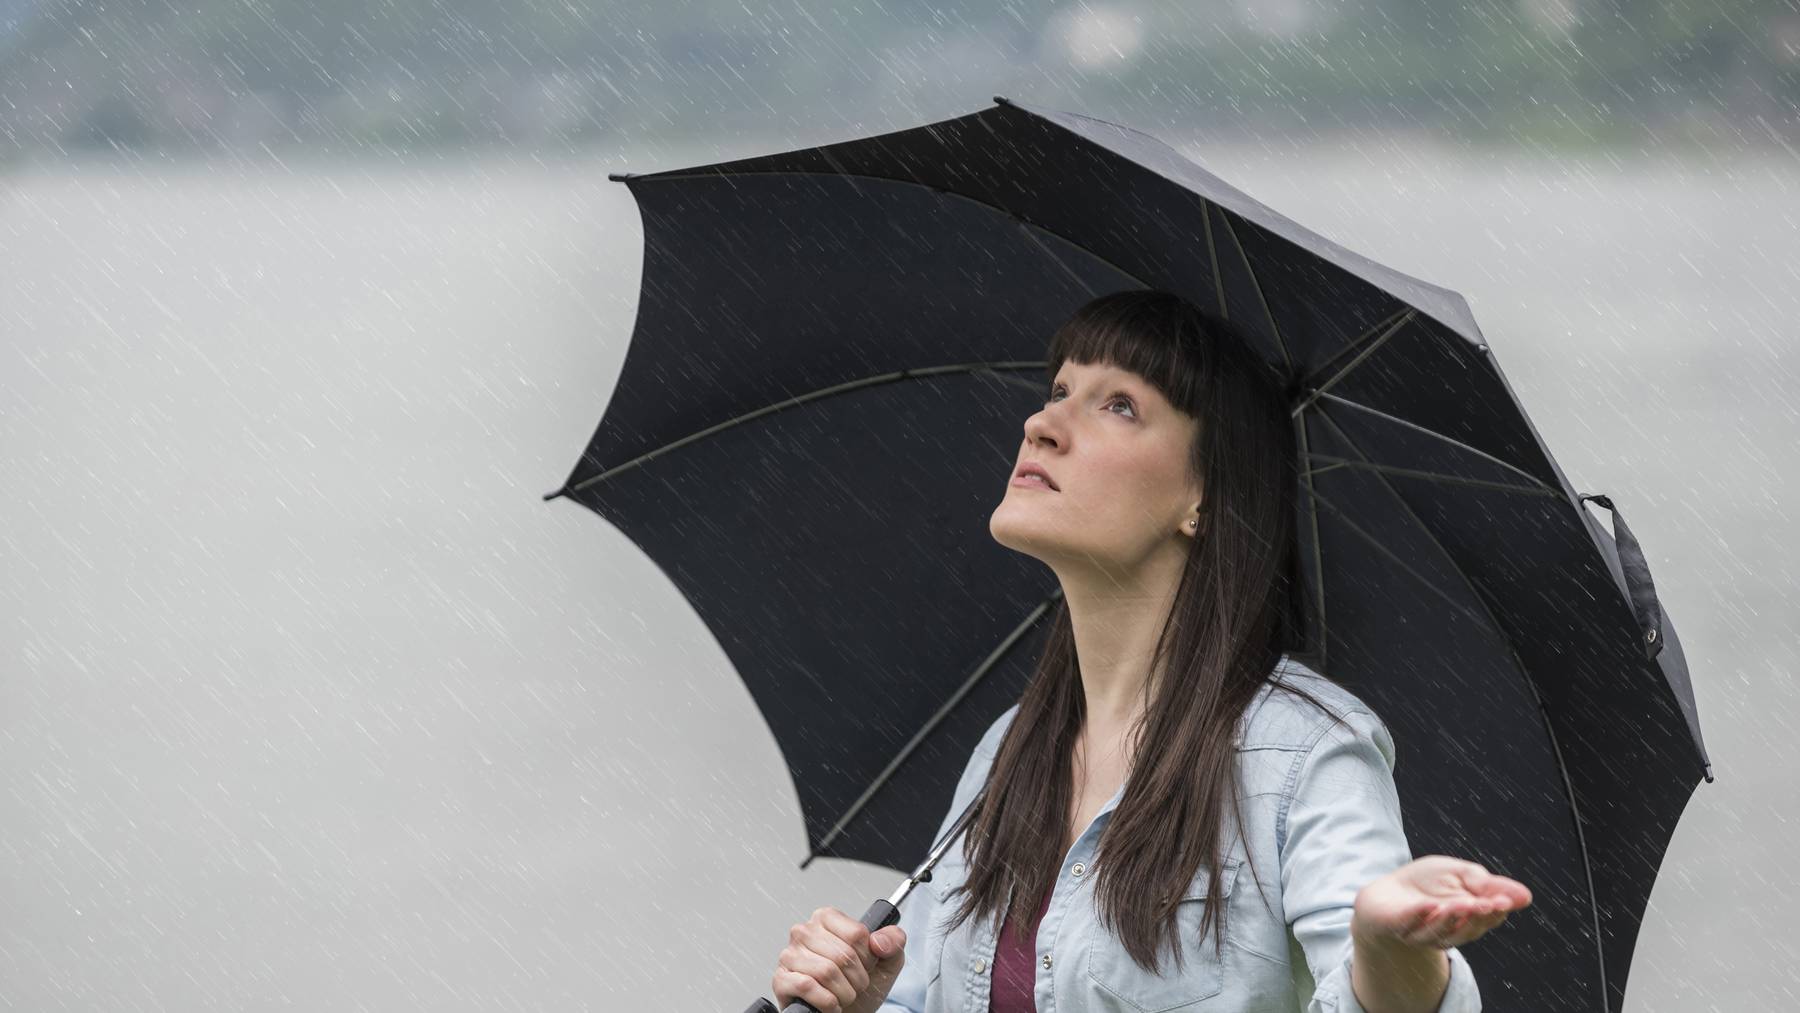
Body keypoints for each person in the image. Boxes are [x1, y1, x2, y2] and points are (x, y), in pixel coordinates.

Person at [768, 289, 1533, 1013]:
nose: (1044, 423)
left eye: (1120, 405)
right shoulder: (1007, 752)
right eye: (1059, 389)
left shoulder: (1305, 752)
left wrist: (1385, 943)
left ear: (1201, 497)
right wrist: (863, 1003)